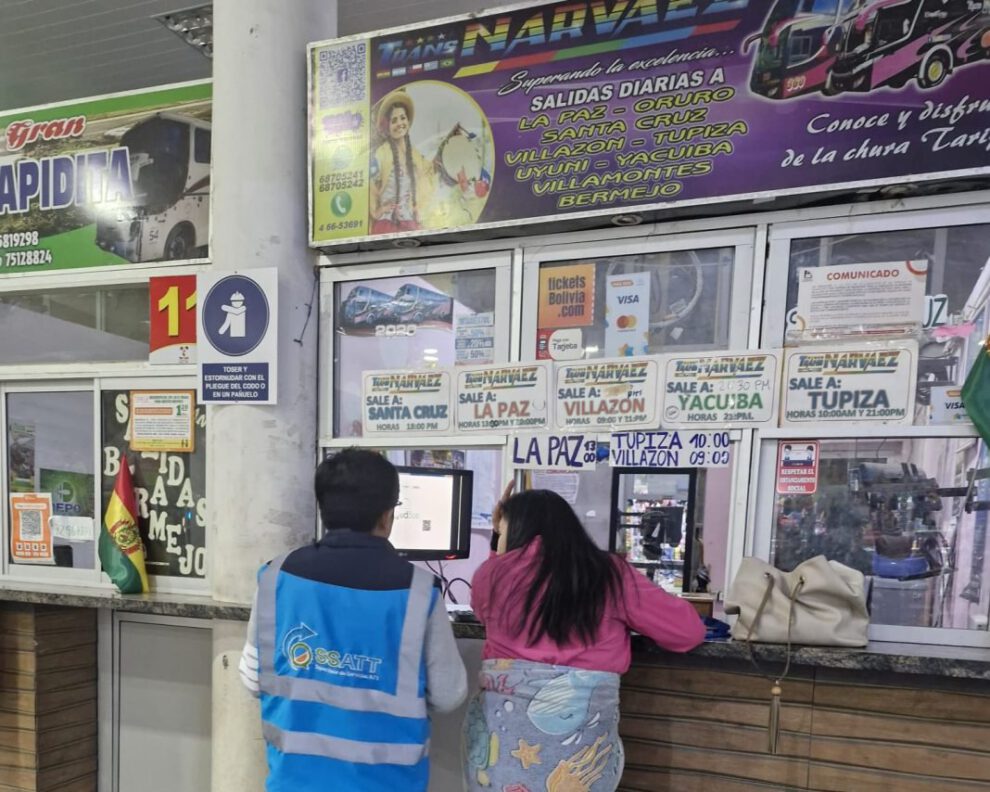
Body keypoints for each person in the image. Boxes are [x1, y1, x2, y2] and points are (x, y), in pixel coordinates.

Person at [239, 449, 467, 792]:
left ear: (324, 509)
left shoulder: (274, 577)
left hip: (293, 782)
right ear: (387, 516)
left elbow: (252, 678)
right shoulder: (419, 592)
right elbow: (449, 695)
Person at [464, 487, 705, 791]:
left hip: (503, 741)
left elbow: (484, 604)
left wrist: (497, 543)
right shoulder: (609, 574)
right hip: (578, 752)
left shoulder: (490, 577)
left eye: (501, 531)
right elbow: (688, 632)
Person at [369, 89, 437, 234]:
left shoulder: (415, 154)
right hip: (386, 224)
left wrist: (418, 207)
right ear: (387, 126)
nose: (400, 123)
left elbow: (427, 176)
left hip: (410, 222)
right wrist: (377, 211)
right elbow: (371, 186)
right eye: (394, 120)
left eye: (402, 118)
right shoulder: (381, 153)